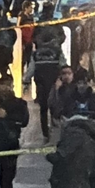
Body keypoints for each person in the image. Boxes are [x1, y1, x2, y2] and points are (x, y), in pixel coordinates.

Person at [33, 10, 66, 139]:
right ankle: (51, 123)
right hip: (52, 78)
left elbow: (32, 66)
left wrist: (26, 79)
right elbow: (63, 63)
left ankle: (46, 130)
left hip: (41, 78)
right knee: (52, 101)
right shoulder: (56, 50)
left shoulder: (37, 52)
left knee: (44, 105)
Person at [17, 1, 35, 73]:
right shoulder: (21, 16)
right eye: (30, 8)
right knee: (23, 59)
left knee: (29, 59)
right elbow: (18, 27)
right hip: (23, 41)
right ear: (26, 8)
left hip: (30, 40)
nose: (31, 9)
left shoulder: (31, 17)